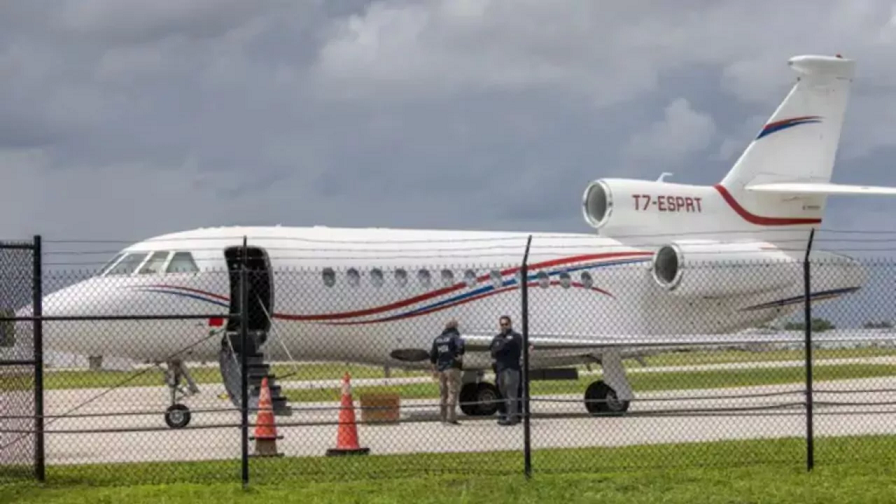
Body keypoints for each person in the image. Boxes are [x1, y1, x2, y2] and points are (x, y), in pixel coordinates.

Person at [430, 319, 465, 424]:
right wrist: (458, 356)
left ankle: (443, 417)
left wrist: (434, 369)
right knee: (453, 392)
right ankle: (451, 418)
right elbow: (461, 347)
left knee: (443, 394)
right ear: (454, 327)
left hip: (441, 368)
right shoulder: (455, 337)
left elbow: (433, 356)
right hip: (452, 367)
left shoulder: (438, 339)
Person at [489, 315, 522, 425]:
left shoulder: (516, 336)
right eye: (502, 324)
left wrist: (501, 347)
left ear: (510, 324)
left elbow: (508, 346)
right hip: (500, 369)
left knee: (511, 394)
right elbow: (493, 350)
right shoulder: (497, 337)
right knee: (502, 394)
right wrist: (501, 347)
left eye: (506, 324)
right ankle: (505, 414)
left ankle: (512, 418)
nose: (504, 326)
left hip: (511, 368)